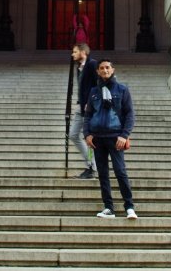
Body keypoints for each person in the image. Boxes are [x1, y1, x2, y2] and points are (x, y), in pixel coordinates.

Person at [84, 58, 137, 219]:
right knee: (103, 174)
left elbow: (130, 114)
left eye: (108, 67)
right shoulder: (94, 91)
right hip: (97, 139)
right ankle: (108, 207)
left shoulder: (122, 90)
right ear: (97, 71)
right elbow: (88, 115)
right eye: (102, 68)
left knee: (120, 171)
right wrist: (87, 134)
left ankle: (129, 206)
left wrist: (124, 135)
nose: (105, 70)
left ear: (113, 70)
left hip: (115, 138)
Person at [69, 43, 98, 179]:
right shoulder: (79, 68)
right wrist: (79, 103)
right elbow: (83, 88)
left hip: (90, 108)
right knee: (73, 134)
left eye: (75, 52)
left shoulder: (92, 64)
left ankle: (90, 168)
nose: (72, 54)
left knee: (89, 138)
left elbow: (98, 85)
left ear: (83, 52)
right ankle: (91, 164)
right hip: (82, 107)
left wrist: (91, 103)